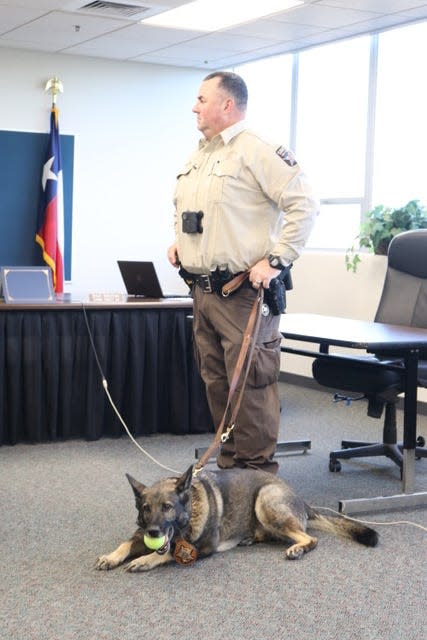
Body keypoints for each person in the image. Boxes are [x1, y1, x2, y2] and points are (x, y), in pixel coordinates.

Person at [167, 71, 318, 474]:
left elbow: (305, 205)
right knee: (217, 383)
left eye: (201, 99)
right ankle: (232, 472)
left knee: (250, 385)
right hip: (204, 291)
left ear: (227, 104)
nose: (194, 106)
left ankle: (256, 478)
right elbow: (191, 211)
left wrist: (277, 259)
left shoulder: (258, 150)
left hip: (244, 294)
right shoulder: (201, 154)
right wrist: (181, 242)